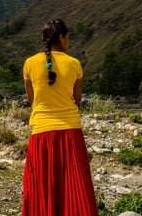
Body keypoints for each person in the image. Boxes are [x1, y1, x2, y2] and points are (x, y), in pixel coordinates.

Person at [21, 18, 99, 216]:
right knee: (74, 187)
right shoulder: (74, 64)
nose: (69, 41)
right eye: (68, 37)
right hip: (70, 132)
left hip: (41, 133)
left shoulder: (29, 63)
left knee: (42, 188)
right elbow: (77, 98)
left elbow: (32, 99)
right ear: (62, 38)